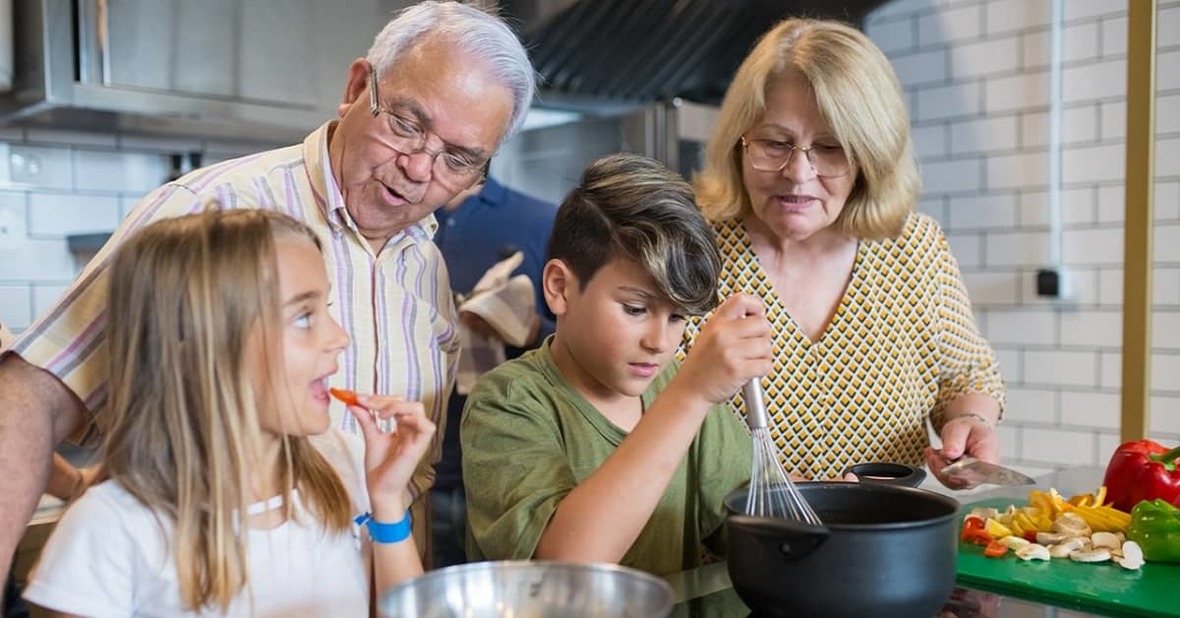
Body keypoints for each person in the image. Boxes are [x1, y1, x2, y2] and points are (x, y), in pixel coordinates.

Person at [0, 0, 535, 585]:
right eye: (407, 123)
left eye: (457, 159)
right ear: (358, 87)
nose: (418, 168)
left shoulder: (424, 262)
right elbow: (30, 398)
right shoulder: (212, 213)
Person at [21, 209, 435, 615]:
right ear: (197, 352)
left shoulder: (344, 461)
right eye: (305, 316)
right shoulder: (109, 528)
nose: (339, 338)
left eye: (325, 308)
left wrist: (386, 500)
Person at [683, 17, 1006, 488]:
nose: (798, 173)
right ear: (739, 141)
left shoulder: (913, 249)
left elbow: (965, 376)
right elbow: (634, 414)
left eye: (831, 149)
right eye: (775, 143)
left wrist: (972, 422)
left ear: (871, 157)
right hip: (732, 549)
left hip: (884, 546)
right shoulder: (689, 253)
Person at [461, 153, 773, 576]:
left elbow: (757, 530)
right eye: (634, 309)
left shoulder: (677, 389)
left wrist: (832, 516)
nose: (659, 342)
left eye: (678, 317)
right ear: (559, 288)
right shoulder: (509, 402)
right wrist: (690, 395)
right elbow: (567, 566)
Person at [430, 177, 557, 567]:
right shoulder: (397, 214)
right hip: (403, 476)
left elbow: (583, 340)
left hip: (507, 477)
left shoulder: (542, 221)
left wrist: (532, 328)